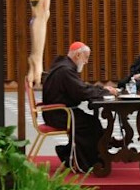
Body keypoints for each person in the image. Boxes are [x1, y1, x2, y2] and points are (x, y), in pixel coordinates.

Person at [42, 42, 118, 172]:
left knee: (92, 121)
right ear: (78, 55)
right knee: (90, 124)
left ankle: (98, 154)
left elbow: (80, 87)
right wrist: (105, 92)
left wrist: (101, 89)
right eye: (86, 57)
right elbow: (82, 92)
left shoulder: (65, 66)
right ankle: (87, 160)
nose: (87, 61)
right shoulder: (65, 70)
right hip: (59, 114)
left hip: (58, 112)